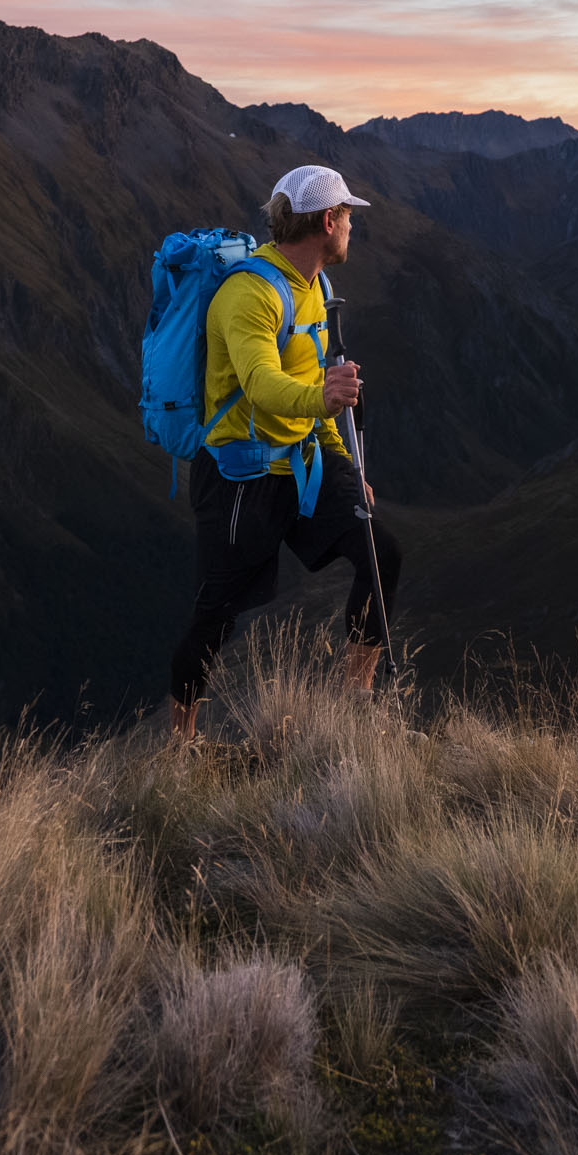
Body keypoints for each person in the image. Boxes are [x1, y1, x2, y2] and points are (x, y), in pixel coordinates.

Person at [169, 165, 403, 742]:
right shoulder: (248, 293)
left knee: (381, 553)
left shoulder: (315, 287)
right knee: (215, 614)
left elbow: (309, 388)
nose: (351, 226)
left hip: (301, 461)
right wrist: (324, 397)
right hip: (239, 475)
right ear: (326, 221)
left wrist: (343, 465)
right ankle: (180, 744)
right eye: (347, 216)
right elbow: (260, 385)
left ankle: (357, 702)